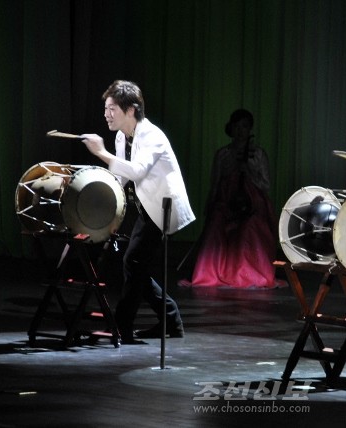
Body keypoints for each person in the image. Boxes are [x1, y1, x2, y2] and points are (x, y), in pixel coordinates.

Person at [81, 80, 195, 343]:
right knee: (134, 265)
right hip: (147, 207)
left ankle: (124, 325)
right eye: (106, 108)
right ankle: (170, 319)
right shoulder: (123, 136)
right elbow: (121, 176)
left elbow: (138, 171)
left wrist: (101, 153)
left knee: (133, 262)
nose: (106, 114)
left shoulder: (151, 135)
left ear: (131, 109)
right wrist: (108, 207)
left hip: (163, 207)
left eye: (112, 108)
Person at [180, 109, 282, 288]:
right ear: (231, 128)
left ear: (250, 129)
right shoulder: (223, 154)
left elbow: (266, 185)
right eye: (237, 126)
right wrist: (210, 203)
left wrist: (249, 171)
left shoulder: (258, 154)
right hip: (226, 197)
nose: (240, 131)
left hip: (252, 200)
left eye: (245, 126)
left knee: (250, 226)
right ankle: (213, 273)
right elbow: (216, 182)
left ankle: (248, 274)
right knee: (216, 223)